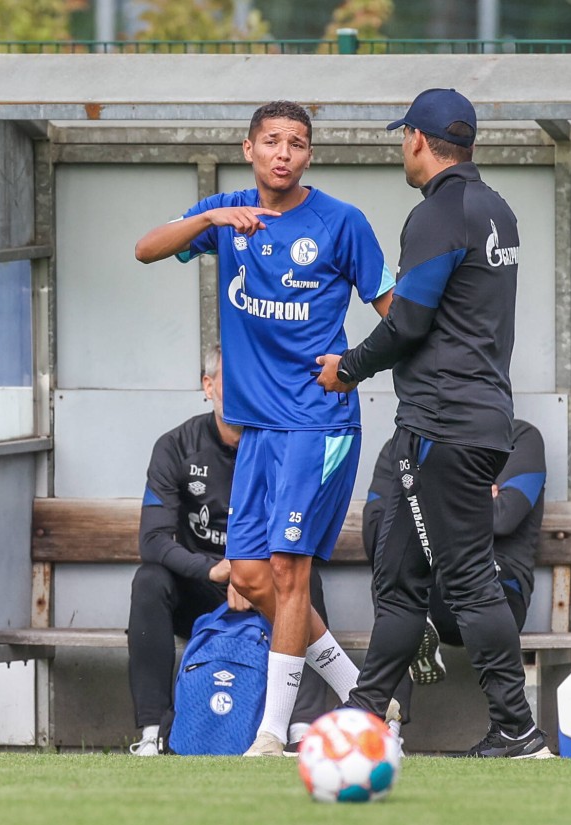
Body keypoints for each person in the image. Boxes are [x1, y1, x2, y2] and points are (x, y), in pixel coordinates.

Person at [135, 101, 395, 756]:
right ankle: (365, 698)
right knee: (250, 575)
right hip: (257, 429)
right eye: (273, 141)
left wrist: (355, 366)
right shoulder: (224, 213)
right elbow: (143, 249)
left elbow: (400, 318)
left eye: (298, 143)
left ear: (310, 155)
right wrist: (211, 218)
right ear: (249, 148)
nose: (285, 152)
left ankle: (272, 735)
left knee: (287, 569)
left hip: (317, 421)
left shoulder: (342, 222)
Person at [316, 88, 553, 758]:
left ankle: (517, 727)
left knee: (470, 580)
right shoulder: (495, 209)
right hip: (471, 420)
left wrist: (348, 368)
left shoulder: (438, 213)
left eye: (403, 138)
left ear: (418, 140)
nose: (402, 149)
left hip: (442, 425)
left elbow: (409, 321)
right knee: (400, 582)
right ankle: (361, 722)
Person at [127, 347, 331, 755]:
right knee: (149, 581)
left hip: (267, 579)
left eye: (250, 380)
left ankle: (302, 728)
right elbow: (152, 540)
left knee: (305, 577)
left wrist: (248, 571)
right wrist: (214, 570)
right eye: (229, 380)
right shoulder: (176, 446)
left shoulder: (280, 444)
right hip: (204, 588)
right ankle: (152, 733)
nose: (241, 390)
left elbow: (301, 527)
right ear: (208, 386)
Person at [363, 420, 546, 727]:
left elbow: (504, 518)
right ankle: (388, 728)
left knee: (419, 570)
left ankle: (510, 730)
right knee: (393, 572)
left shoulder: (520, 437)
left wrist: (419, 505)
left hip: (498, 586)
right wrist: (469, 501)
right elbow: (374, 533)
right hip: (429, 586)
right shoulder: (403, 446)